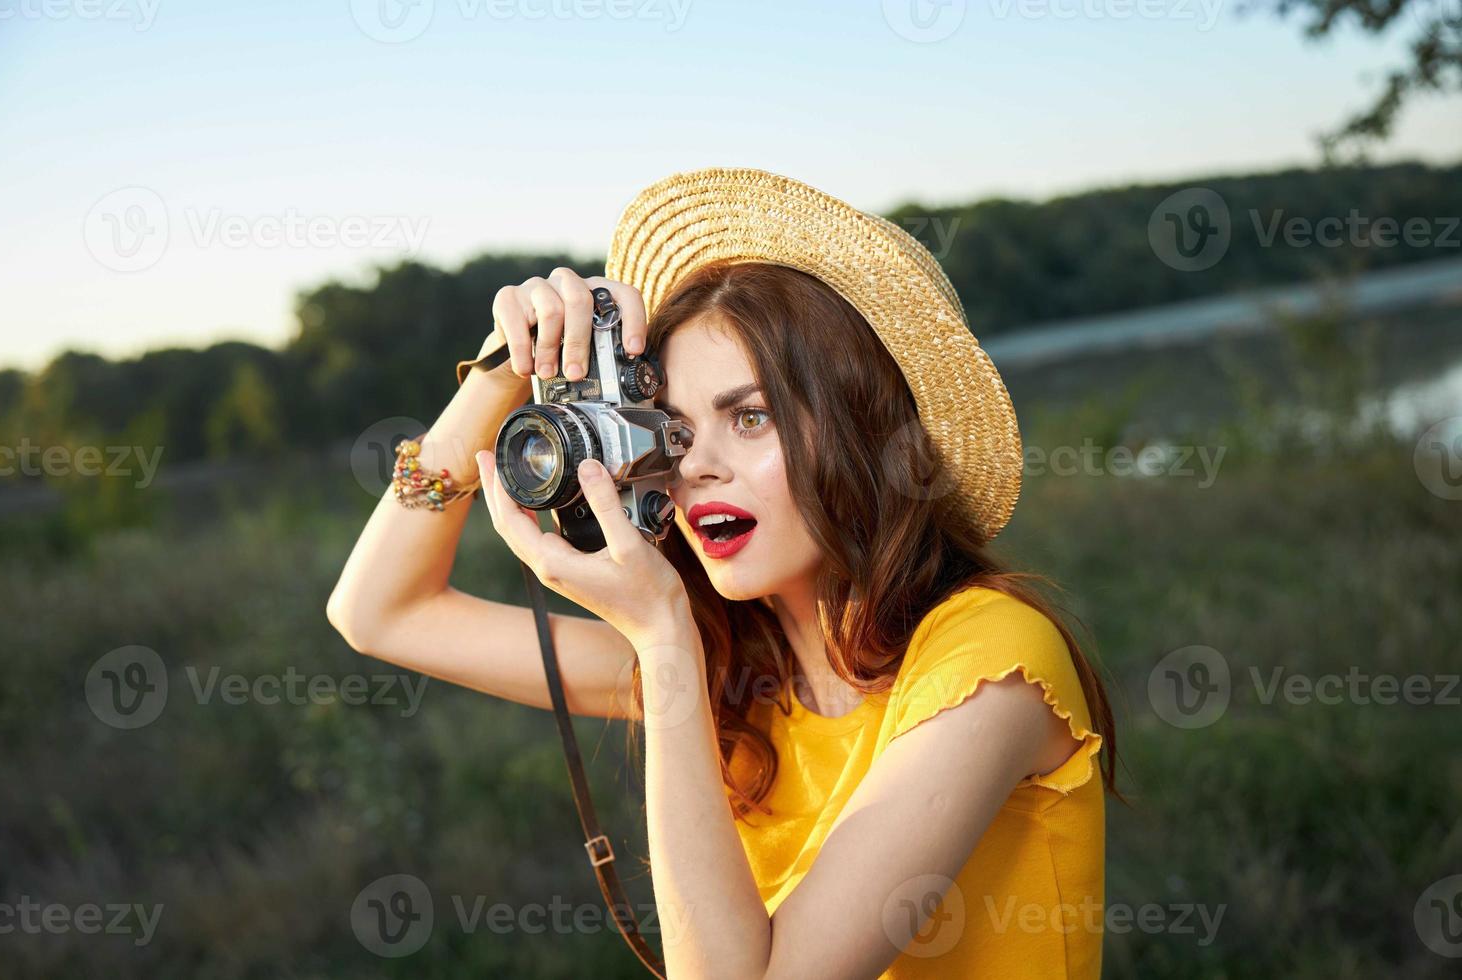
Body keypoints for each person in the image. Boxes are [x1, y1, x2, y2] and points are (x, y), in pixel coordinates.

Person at [327, 167, 1118, 978]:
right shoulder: (737, 665)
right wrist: (502, 374)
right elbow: (381, 610)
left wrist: (665, 643)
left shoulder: (992, 661)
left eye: (750, 417)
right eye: (671, 427)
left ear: (865, 432)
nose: (693, 465)